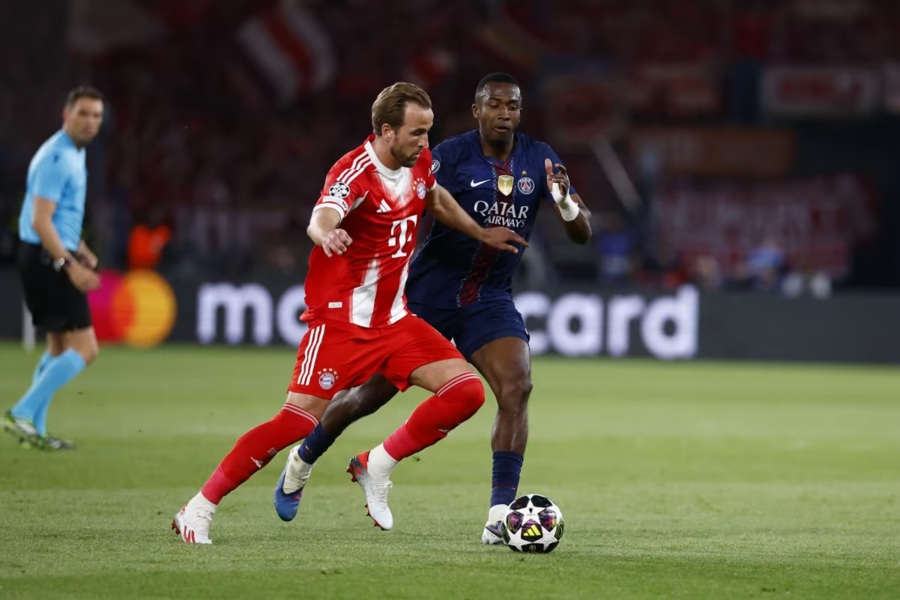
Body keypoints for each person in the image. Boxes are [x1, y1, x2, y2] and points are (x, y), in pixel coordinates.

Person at [171, 82, 527, 544]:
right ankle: (198, 508)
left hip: (395, 322)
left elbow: (434, 197)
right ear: (386, 131)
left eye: (428, 131)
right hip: (342, 324)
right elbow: (322, 214)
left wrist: (479, 232)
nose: (426, 143)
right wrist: (327, 233)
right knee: (296, 422)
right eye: (417, 133)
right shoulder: (355, 171)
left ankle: (375, 464)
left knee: (466, 393)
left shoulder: (418, 161)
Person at [273, 73, 592, 543]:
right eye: (495, 105)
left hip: (489, 298)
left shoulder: (539, 158)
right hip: (428, 294)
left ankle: (498, 516)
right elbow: (408, 198)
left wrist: (564, 204)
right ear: (477, 111)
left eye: (513, 106)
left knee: (517, 386)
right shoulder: (449, 155)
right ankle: (303, 459)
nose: (505, 114)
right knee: (368, 396)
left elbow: (583, 232)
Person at [2, 86, 104, 451]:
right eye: (83, 114)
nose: (90, 122)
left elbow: (58, 216)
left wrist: (80, 247)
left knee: (59, 347)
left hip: (47, 255)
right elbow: (40, 220)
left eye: (96, 116)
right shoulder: (58, 158)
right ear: (66, 114)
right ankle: (22, 411)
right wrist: (68, 265)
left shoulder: (72, 152)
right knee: (86, 349)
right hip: (49, 258)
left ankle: (36, 430)